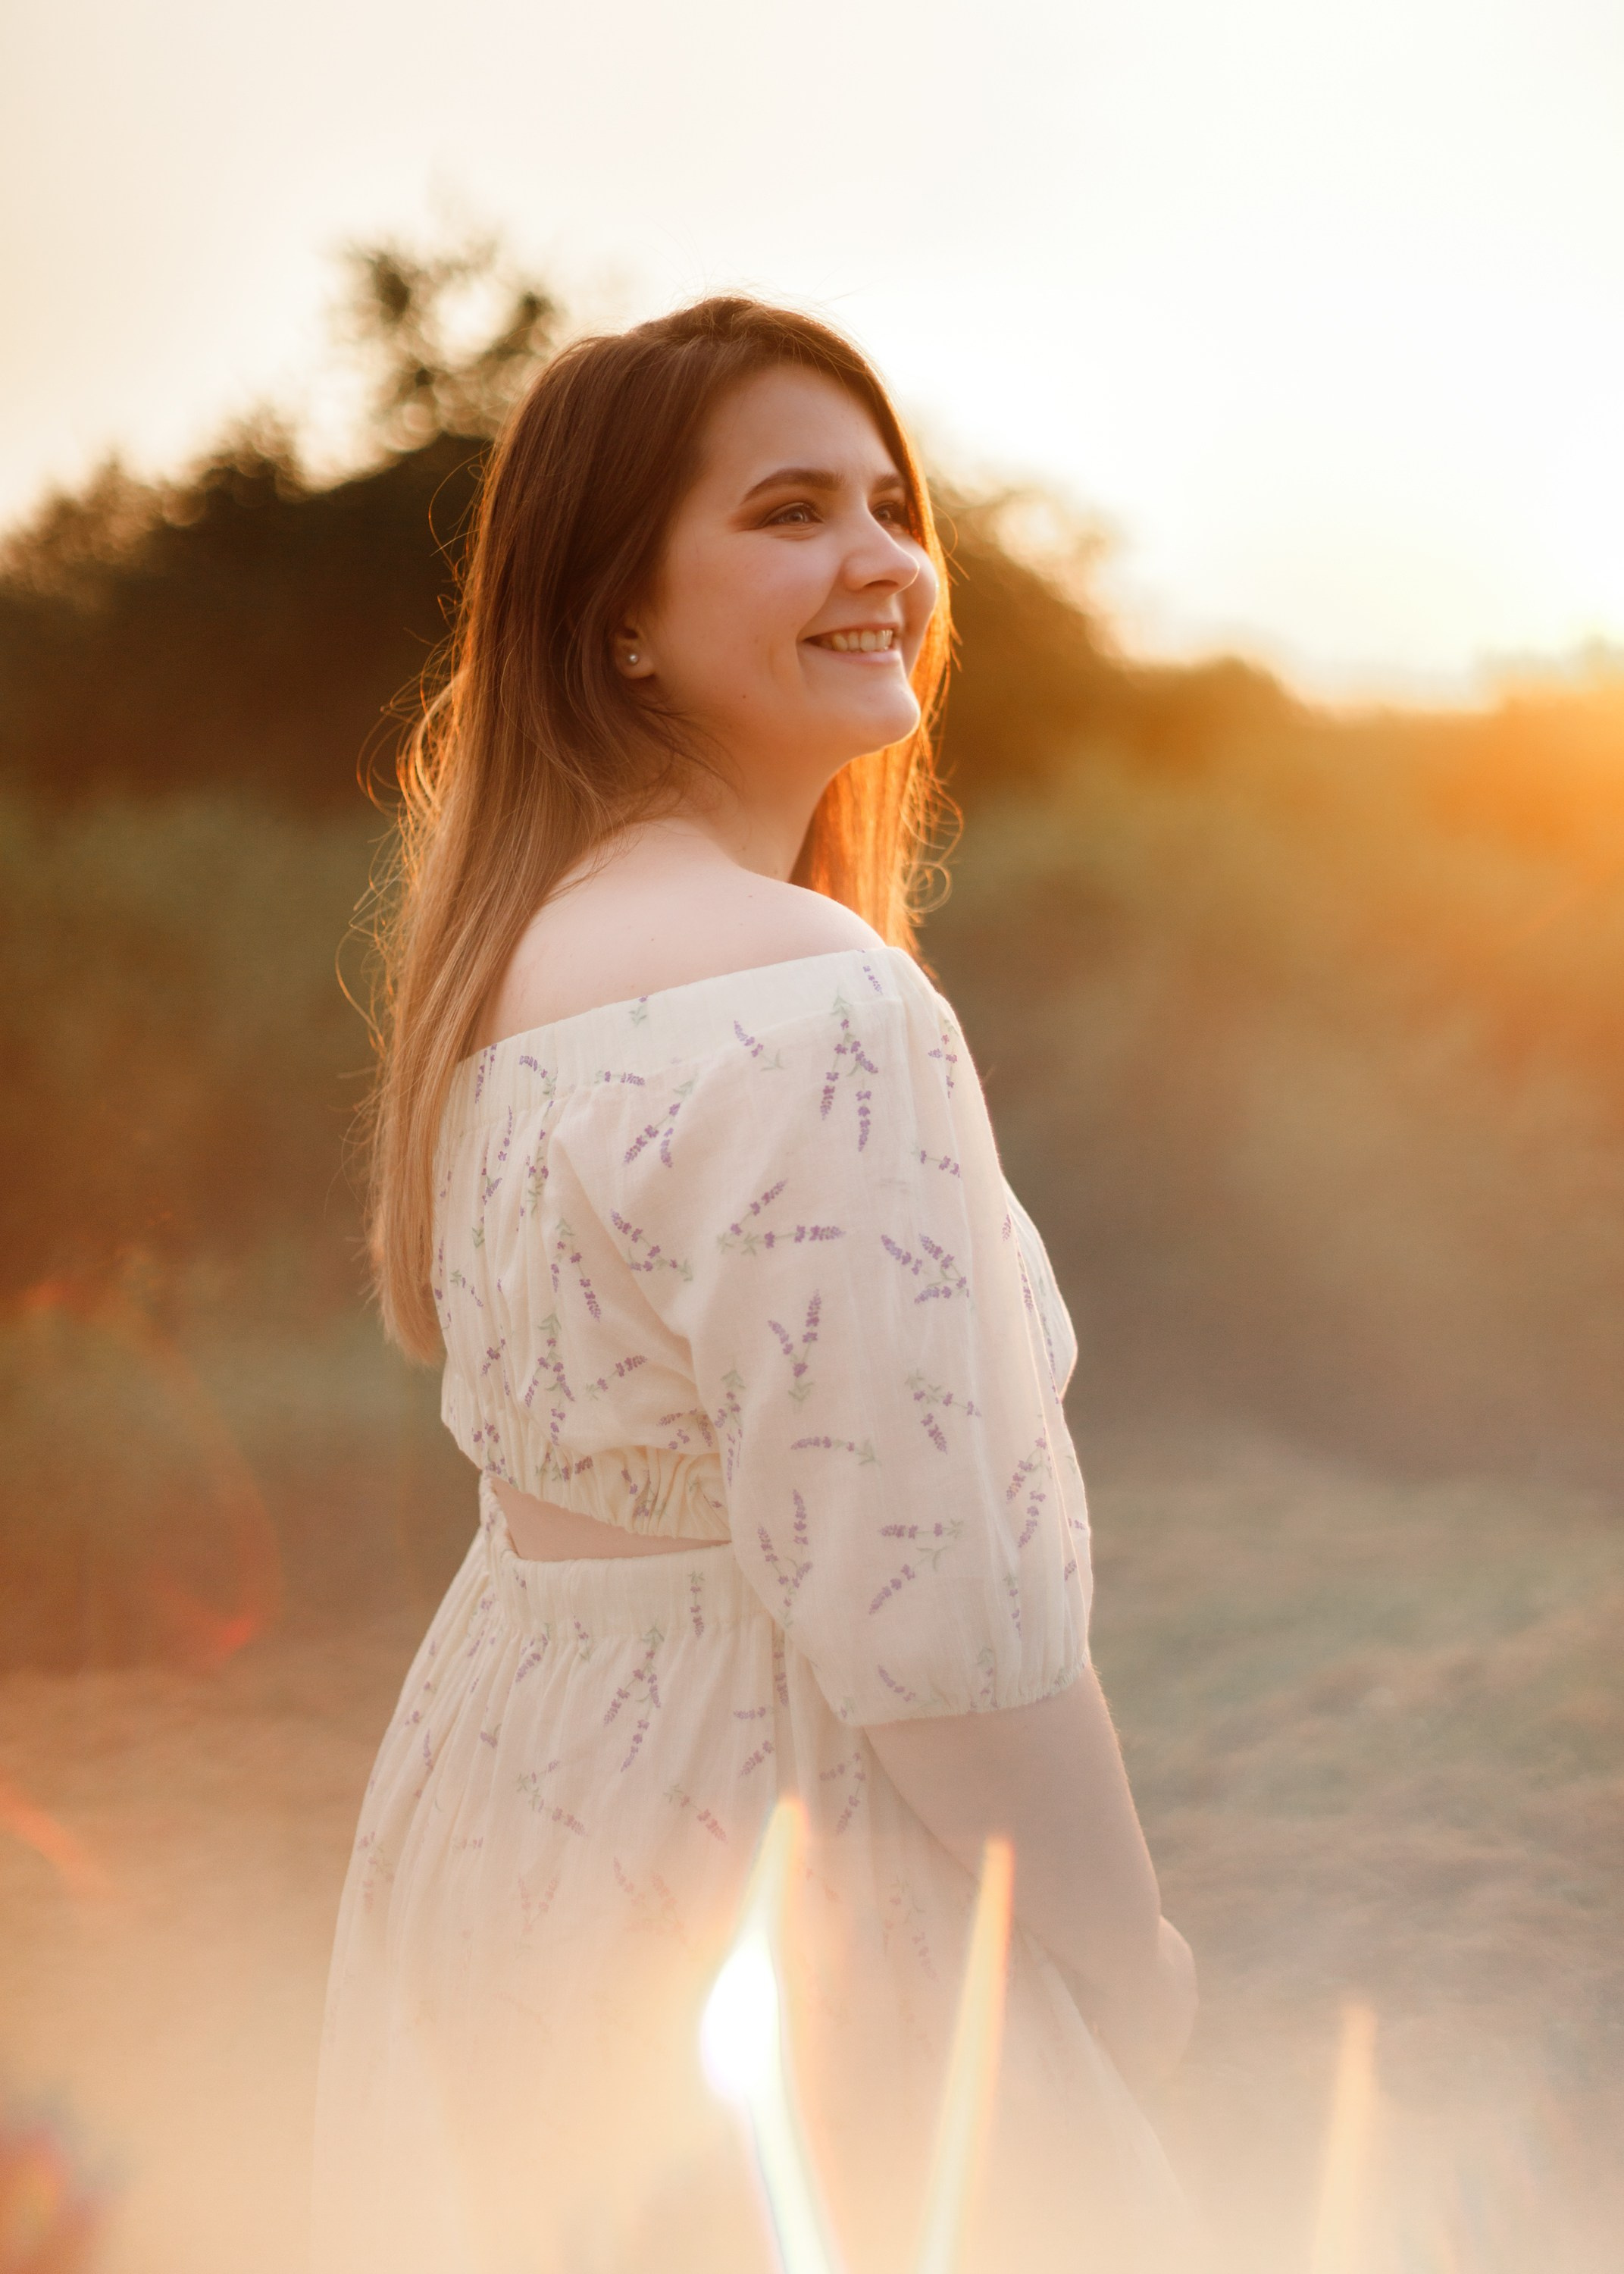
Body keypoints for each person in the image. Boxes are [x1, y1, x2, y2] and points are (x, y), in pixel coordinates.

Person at [314, 296, 1197, 2274]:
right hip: (774, 1859)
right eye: (791, 512)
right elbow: (941, 1628)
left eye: (892, 504)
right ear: (618, 616)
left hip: (519, 1818)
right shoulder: (815, 999)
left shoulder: (518, 963)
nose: (880, 559)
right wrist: (1123, 1956)